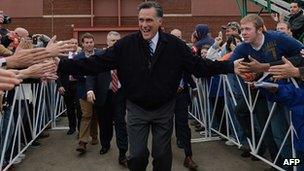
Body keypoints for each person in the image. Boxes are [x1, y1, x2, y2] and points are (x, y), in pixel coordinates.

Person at [58, 2, 236, 170]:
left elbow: (199, 66)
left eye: (149, 20)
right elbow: (96, 63)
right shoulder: (126, 45)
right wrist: (61, 65)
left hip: (164, 108)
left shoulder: (175, 45)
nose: (144, 24)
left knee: (161, 155)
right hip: (136, 109)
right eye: (141, 20)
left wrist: (230, 66)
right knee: (137, 155)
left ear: (160, 21)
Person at [86, 31, 128, 167]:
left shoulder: (125, 57)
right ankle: (105, 144)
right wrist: (90, 89)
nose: (115, 43)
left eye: (117, 40)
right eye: (112, 41)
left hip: (120, 95)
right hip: (103, 95)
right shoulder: (99, 56)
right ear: (107, 42)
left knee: (121, 123)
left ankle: (123, 153)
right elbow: (91, 74)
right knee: (105, 124)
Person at [170, 28, 198, 169]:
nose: (178, 39)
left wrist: (193, 86)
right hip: (166, 96)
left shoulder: (185, 52)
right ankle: (164, 152)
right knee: (165, 125)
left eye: (180, 37)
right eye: (175, 37)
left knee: (183, 124)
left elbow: (190, 69)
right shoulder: (163, 53)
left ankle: (188, 156)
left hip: (182, 94)